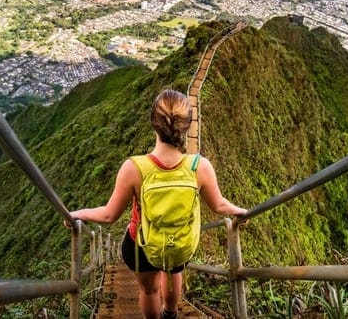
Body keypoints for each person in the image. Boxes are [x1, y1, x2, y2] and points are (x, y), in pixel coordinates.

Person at [68, 88, 247, 319]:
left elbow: (108, 215)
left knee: (149, 289)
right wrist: (242, 212)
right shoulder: (199, 166)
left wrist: (76, 214)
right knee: (173, 273)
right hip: (180, 241)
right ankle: (171, 313)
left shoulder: (134, 167)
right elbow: (220, 205)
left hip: (141, 244)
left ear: (154, 123)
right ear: (187, 126)